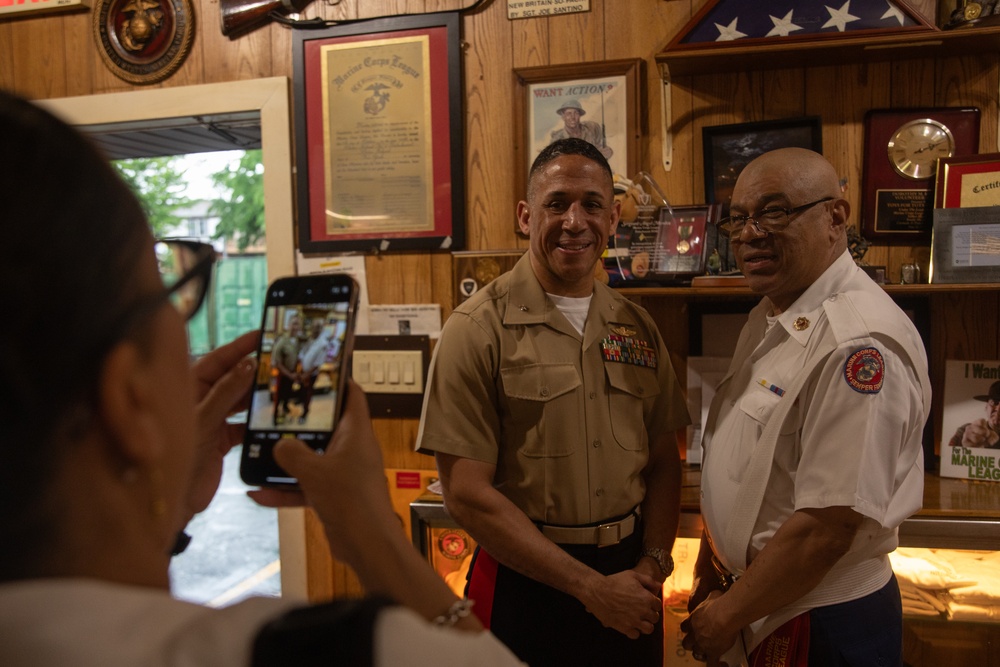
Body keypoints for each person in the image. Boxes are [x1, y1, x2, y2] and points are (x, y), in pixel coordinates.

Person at [0, 89, 525, 667]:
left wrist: (161, 502)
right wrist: (372, 537)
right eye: (174, 295)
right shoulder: (337, 652)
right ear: (128, 399)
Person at [416, 137, 691, 666]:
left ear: (613, 220)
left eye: (591, 205)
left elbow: (663, 462)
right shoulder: (475, 329)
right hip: (525, 585)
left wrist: (653, 565)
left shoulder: (637, 327)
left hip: (630, 579)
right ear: (525, 216)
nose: (574, 220)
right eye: (556, 203)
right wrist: (590, 589)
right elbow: (466, 494)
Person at [681, 148, 931, 665]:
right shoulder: (779, 312)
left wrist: (726, 615)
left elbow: (825, 528)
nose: (751, 234)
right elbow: (754, 475)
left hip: (817, 618)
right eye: (739, 219)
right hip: (762, 600)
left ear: (835, 218)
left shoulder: (857, 345)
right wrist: (716, 569)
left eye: (774, 212)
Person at [549, 99, 613, 160]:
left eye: (576, 113)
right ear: (563, 117)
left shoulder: (590, 130)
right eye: (569, 113)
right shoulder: (557, 139)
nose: (573, 117)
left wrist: (607, 152)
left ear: (580, 115)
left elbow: (600, 148)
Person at [297, 317, 332, 425]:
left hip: (310, 374)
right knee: (302, 390)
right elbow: (303, 353)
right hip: (303, 371)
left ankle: (305, 413)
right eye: (315, 326)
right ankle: (302, 402)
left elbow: (317, 364)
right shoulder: (310, 339)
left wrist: (306, 375)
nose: (316, 329)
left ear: (321, 329)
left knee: (308, 393)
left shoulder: (323, 343)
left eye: (319, 327)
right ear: (311, 328)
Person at [948, 380, 1000, 449]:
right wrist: (967, 448)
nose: (998, 410)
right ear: (986, 406)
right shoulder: (965, 431)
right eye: (994, 402)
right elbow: (948, 455)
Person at [270, 313, 301, 426]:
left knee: (287, 393)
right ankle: (275, 415)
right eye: (293, 324)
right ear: (288, 325)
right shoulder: (282, 342)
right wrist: (289, 374)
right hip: (282, 375)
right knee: (278, 396)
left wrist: (296, 373)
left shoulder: (297, 341)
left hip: (291, 374)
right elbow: (277, 363)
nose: (295, 327)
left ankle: (285, 406)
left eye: (297, 324)